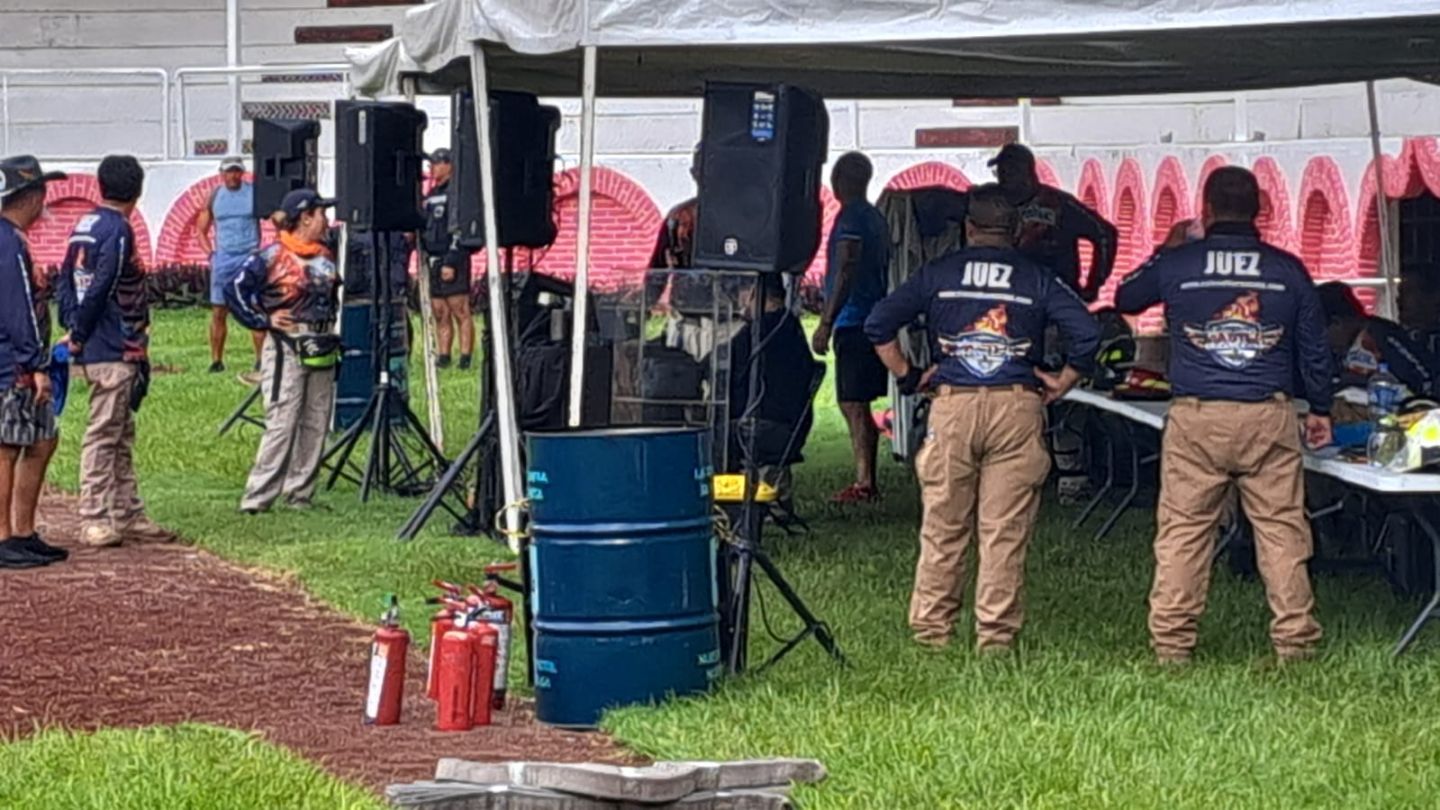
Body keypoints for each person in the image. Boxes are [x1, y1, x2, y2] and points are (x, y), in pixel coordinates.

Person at [865, 184, 1100, 652]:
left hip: (952, 404)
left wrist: (910, 376)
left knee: (943, 524)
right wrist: (1063, 380)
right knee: (1004, 531)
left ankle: (932, 633)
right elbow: (1088, 334)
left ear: (967, 227)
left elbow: (877, 325)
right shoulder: (1036, 277)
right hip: (1017, 405)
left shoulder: (938, 272)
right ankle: (995, 639)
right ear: (1014, 230)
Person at [1115, 166, 1334, 665]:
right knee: (1282, 530)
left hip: (1197, 416)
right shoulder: (1287, 268)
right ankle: (1295, 642)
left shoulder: (1180, 263)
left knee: (1184, 532)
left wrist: (1166, 250)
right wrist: (1320, 406)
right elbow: (1314, 347)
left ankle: (1172, 646)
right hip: (1267, 414)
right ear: (1259, 209)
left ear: (1206, 209)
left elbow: (1125, 297)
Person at [56, 154, 171, 548]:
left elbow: (65, 278)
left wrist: (70, 323)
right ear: (137, 191)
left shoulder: (84, 225)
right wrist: (80, 332)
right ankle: (94, 515)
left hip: (97, 342)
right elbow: (103, 282)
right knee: (104, 432)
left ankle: (128, 511)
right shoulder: (120, 230)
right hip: (113, 344)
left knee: (121, 431)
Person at [227, 189, 340, 514]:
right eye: (322, 214)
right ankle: (257, 498)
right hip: (287, 343)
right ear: (306, 217)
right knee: (283, 419)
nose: (326, 220)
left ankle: (300, 494)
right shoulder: (271, 256)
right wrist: (262, 320)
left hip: (321, 342)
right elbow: (234, 288)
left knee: (316, 419)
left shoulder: (325, 255)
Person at [812, 152, 891, 504]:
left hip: (854, 318)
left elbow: (846, 265)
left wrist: (826, 321)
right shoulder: (875, 216)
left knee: (853, 402)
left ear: (841, 180)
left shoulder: (852, 219)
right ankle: (866, 478)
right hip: (869, 314)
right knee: (853, 402)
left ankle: (865, 482)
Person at [0, 156, 66, 569]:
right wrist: (34, 363)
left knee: (42, 439)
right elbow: (18, 306)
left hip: (16, 357)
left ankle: (23, 530)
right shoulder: (9, 243)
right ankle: (5, 536)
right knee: (6, 446)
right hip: (12, 361)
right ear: (33, 196)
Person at [725, 274, 820, 496]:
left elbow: (720, 364)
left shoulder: (756, 333)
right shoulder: (791, 327)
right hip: (793, 429)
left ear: (754, 294)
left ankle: (728, 504)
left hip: (763, 429)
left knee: (708, 436)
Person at [987, 143, 1117, 301]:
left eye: (1006, 172)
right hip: (1007, 294)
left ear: (1023, 172)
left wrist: (1094, 283)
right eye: (999, 172)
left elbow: (1104, 234)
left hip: (1053, 296)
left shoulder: (1058, 204)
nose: (1001, 178)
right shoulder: (990, 202)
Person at [1316, 280, 1436, 409]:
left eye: (1319, 332)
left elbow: (1425, 378)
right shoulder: (1336, 351)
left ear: (1337, 323)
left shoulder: (1383, 336)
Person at [196, 157, 262, 375]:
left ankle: (261, 359)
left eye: (236, 171)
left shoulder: (254, 193)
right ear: (221, 174)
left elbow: (275, 218)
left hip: (248, 256)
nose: (233, 176)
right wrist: (211, 255)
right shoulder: (215, 196)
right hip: (223, 259)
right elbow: (201, 230)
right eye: (228, 172)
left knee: (254, 308)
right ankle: (216, 360)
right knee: (218, 311)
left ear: (242, 173)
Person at [421, 149, 474, 370]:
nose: (432, 168)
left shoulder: (458, 194)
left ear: (449, 164)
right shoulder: (431, 195)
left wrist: (452, 260)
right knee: (439, 310)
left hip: (452, 258)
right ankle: (443, 356)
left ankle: (465, 358)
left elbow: (460, 230)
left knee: (459, 309)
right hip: (433, 259)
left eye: (436, 163)